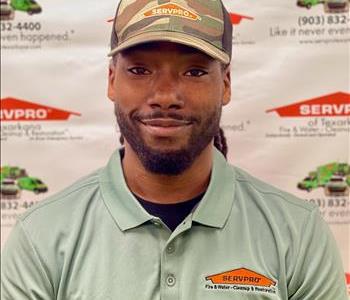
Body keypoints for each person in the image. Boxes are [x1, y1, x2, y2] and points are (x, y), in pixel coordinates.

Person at [1, 0, 347, 299]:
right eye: (139, 69)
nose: (165, 96)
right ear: (111, 81)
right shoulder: (42, 235)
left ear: (225, 85)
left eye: (194, 71)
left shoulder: (297, 233)